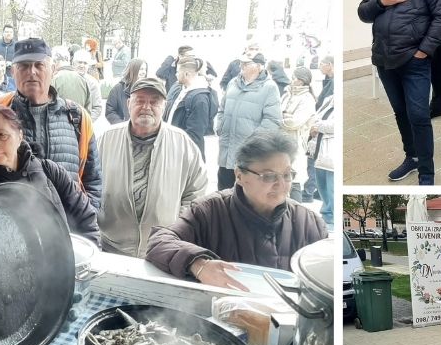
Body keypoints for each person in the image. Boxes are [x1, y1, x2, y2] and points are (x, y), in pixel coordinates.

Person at [145, 130, 327, 290]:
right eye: (268, 176)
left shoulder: (309, 223)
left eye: (286, 175)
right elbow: (159, 241)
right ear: (239, 175)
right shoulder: (209, 211)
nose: (280, 184)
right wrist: (198, 264)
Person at [358, 0, 441, 185]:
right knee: (400, 112)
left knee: (419, 115)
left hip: (414, 61)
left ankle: (426, 172)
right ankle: (411, 158)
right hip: (385, 60)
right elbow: (364, 13)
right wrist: (382, 1)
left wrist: (424, 51)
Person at [0, 103, 99, 242]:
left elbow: (85, 218)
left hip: (54, 265)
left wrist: (87, 256)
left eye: (2, 135)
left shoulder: (49, 171)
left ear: (19, 136)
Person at [97, 78, 207, 256]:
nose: (146, 107)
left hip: (162, 249)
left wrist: (178, 227)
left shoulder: (182, 143)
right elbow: (88, 186)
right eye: (140, 100)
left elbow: (196, 192)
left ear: (164, 107)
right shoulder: (106, 140)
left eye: (154, 102)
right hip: (111, 247)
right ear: (128, 104)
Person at [0, 38, 102, 208]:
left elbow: (93, 180)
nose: (32, 72)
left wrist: (87, 223)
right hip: (9, 228)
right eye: (24, 66)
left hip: (68, 228)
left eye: (39, 65)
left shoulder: (77, 117)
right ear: (13, 72)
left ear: (53, 69)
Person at [216, 54, 283, 190]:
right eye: (241, 63)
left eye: (246, 64)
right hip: (226, 150)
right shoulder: (233, 83)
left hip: (248, 155)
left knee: (244, 194)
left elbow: (272, 121)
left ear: (259, 67)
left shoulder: (269, 87)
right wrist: (220, 126)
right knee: (223, 194)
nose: (241, 66)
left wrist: (253, 142)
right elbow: (221, 109)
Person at [164, 55, 219, 160]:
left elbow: (194, 135)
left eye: (177, 71)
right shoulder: (183, 90)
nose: (175, 74)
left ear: (186, 74)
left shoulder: (200, 99)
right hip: (175, 150)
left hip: (187, 156)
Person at [280, 66, 317, 201]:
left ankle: (297, 215)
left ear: (301, 81)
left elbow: (294, 122)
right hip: (280, 142)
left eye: (294, 77)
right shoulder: (286, 94)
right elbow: (276, 114)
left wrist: (281, 118)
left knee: (294, 177)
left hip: (296, 143)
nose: (291, 80)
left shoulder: (308, 99)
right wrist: (284, 117)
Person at [310, 93, 335, 228]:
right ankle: (326, 216)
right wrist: (314, 127)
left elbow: (335, 125)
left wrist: (318, 126)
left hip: (331, 151)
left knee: (331, 187)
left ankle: (332, 218)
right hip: (320, 150)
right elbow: (314, 119)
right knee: (322, 186)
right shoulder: (328, 99)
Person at [105, 58, 146, 124]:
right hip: (123, 129)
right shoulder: (118, 89)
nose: (144, 72)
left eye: (145, 69)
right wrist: (122, 125)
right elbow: (110, 111)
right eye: (141, 69)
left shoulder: (147, 90)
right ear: (133, 70)